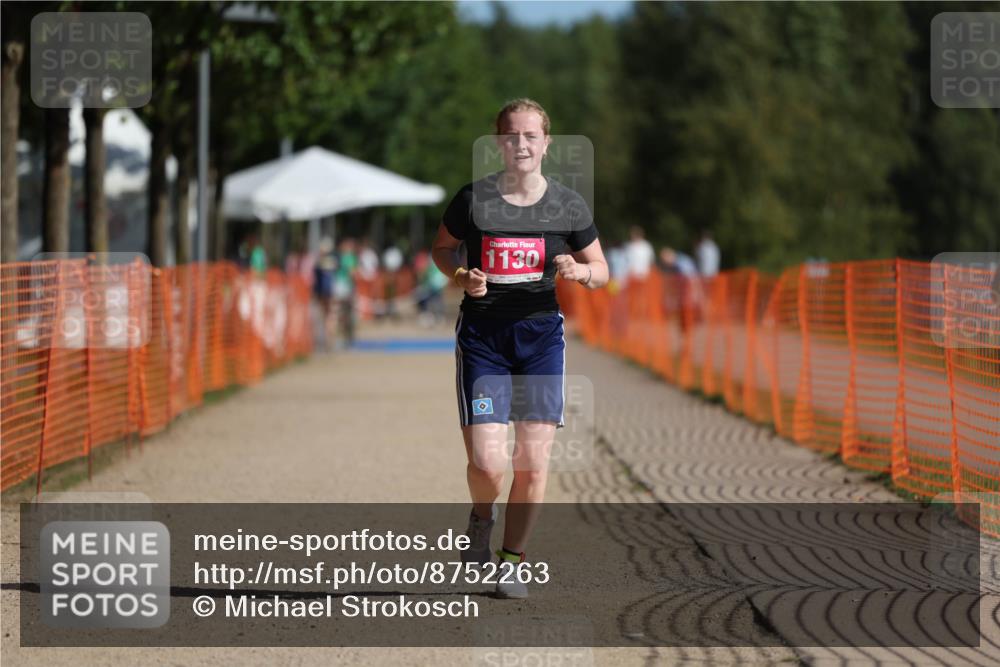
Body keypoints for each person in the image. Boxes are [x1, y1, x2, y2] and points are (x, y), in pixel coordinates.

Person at [431, 98, 608, 599]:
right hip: (484, 340)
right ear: (498, 143)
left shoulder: (568, 204)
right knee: (488, 465)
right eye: (511, 135)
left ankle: (512, 562)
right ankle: (481, 518)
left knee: (532, 462)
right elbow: (441, 249)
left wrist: (580, 271)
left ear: (546, 144)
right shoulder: (472, 199)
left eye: (531, 135)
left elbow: (602, 269)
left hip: (540, 341)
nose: (521, 144)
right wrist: (461, 275)